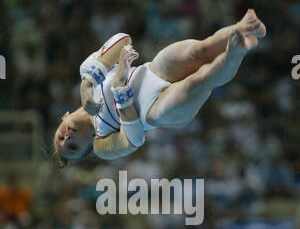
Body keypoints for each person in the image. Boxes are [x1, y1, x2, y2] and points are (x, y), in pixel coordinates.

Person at [53, 9, 266, 168]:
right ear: (86, 150)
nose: (67, 139)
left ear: (64, 116)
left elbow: (123, 39)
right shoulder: (101, 145)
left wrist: (88, 83)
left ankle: (243, 27)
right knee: (198, 80)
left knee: (201, 50)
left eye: (60, 138)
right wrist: (119, 90)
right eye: (72, 147)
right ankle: (236, 52)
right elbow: (134, 139)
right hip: (154, 111)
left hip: (152, 72)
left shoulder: (87, 74)